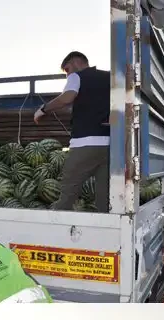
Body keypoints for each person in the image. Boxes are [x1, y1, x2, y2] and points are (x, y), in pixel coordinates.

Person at [36, 51, 111, 214]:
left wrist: (43, 109)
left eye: (67, 69)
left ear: (76, 63)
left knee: (68, 191)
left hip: (84, 145)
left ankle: (56, 228)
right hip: (110, 146)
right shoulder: (109, 77)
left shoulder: (78, 76)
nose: (67, 75)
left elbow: (67, 97)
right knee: (105, 197)